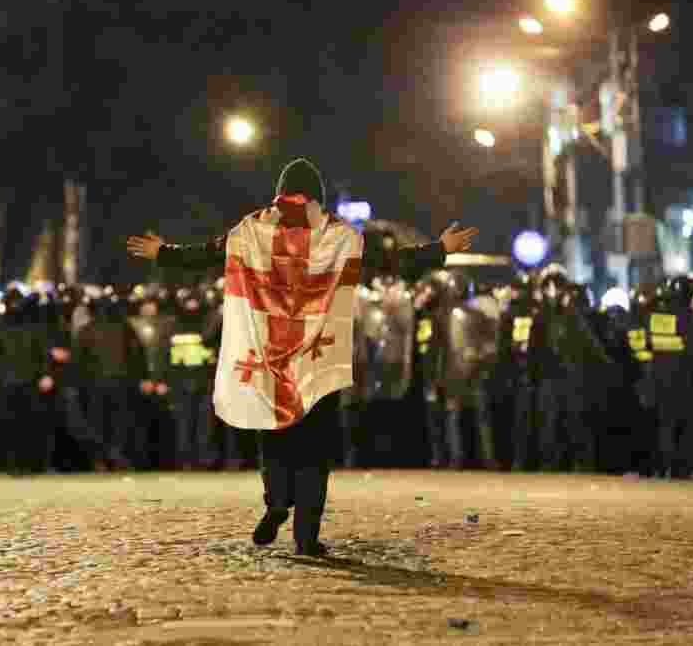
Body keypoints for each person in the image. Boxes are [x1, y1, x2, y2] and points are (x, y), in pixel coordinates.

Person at [127, 158, 477, 556]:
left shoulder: (251, 231)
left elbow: (205, 255)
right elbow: (392, 262)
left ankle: (276, 502)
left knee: (273, 435)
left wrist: (163, 253)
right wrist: (440, 250)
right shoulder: (339, 237)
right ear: (319, 196)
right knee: (316, 448)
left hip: (270, 359)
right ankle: (306, 537)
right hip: (318, 358)